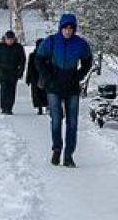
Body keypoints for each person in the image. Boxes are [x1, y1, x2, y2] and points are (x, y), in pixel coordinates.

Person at [32, 12, 93, 167]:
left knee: (72, 123)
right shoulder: (51, 41)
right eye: (65, 28)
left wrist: (79, 75)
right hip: (54, 86)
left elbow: (87, 61)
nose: (68, 31)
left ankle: (68, 155)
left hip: (71, 87)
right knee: (56, 119)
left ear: (74, 29)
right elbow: (38, 58)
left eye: (71, 28)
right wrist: (47, 75)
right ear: (60, 28)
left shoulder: (80, 44)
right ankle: (57, 148)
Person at [0, 30, 26, 114]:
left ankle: (9, 108)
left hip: (14, 72)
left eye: (11, 39)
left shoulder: (18, 47)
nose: (10, 41)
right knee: (4, 90)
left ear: (14, 39)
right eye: (8, 39)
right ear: (5, 39)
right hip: (2, 71)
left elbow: (22, 61)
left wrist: (21, 72)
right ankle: (4, 107)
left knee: (12, 91)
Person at [25, 36, 48, 115]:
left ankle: (47, 106)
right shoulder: (32, 55)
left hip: (45, 76)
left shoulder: (48, 54)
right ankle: (39, 108)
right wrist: (28, 78)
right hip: (35, 76)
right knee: (36, 93)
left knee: (46, 92)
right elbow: (29, 67)